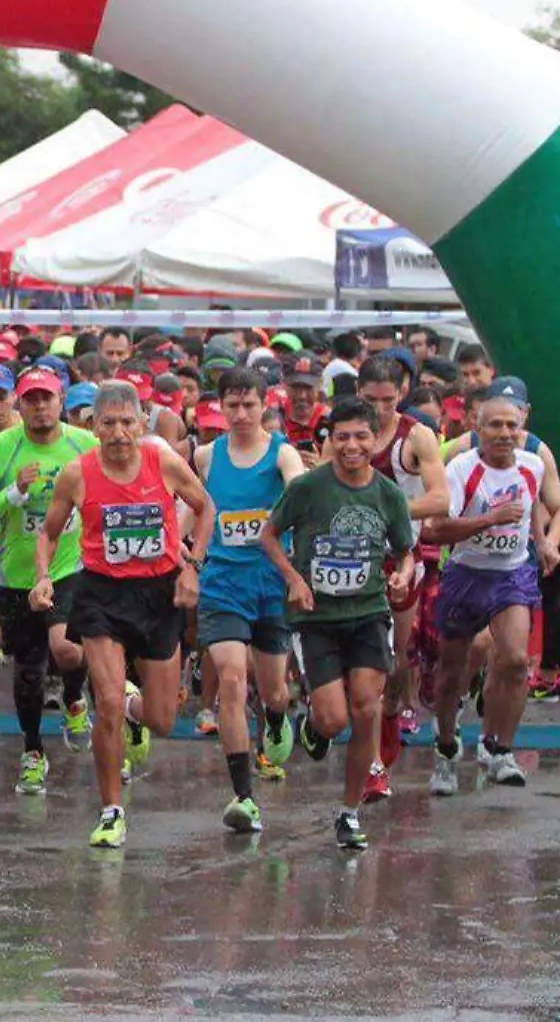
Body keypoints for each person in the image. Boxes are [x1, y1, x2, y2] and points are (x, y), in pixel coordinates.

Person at [32, 382, 214, 848]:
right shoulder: (77, 473)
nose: (117, 433)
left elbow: (204, 506)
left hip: (158, 594)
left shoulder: (163, 462)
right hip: (102, 595)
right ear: (92, 426)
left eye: (127, 423)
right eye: (107, 423)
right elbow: (49, 532)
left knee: (163, 720)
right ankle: (111, 810)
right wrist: (44, 576)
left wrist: (192, 563)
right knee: (106, 702)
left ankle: (135, 707)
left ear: (142, 424)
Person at [260, 397, 414, 850]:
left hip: (368, 612)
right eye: (341, 436)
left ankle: (349, 812)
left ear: (375, 438)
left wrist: (403, 575)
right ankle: (314, 725)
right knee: (333, 719)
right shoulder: (309, 487)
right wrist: (293, 578)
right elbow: (269, 534)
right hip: (317, 618)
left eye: (361, 436)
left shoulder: (388, 494)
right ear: (330, 440)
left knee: (367, 708)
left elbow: (403, 549)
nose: (351, 446)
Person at [425, 386, 560, 793]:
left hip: (511, 573)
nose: (505, 433)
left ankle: (501, 749)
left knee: (517, 660)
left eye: (512, 426)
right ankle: (446, 749)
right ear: (477, 427)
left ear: (523, 428)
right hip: (466, 573)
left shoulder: (531, 466)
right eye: (496, 426)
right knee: (451, 672)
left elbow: (533, 507)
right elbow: (437, 528)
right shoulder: (461, 469)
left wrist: (542, 543)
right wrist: (490, 520)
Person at [0, 367, 97, 797]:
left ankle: (75, 697)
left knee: (67, 648)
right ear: (18, 405)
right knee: (28, 672)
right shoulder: (1, 449)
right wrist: (13, 496)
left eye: (47, 398)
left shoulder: (84, 445)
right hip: (16, 575)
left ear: (61, 402)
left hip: (71, 568)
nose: (40, 407)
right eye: (31, 399)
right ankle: (33, 749)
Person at [193, 369, 307, 832]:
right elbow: (195, 508)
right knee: (233, 683)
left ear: (265, 407)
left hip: (271, 585)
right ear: (220, 407)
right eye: (232, 405)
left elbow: (296, 482)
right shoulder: (204, 455)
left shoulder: (282, 453)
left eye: (249, 405)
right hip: (222, 584)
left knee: (273, 690)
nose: (240, 414)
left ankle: (279, 717)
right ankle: (243, 795)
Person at [355, 355, 447, 801]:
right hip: (351, 560)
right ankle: (372, 765)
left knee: (395, 662)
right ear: (357, 395)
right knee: (368, 665)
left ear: (402, 393)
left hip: (401, 559)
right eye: (370, 400)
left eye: (388, 400)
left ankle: (392, 712)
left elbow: (440, 499)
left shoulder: (418, 436)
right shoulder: (346, 433)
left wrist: (386, 510)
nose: (379, 410)